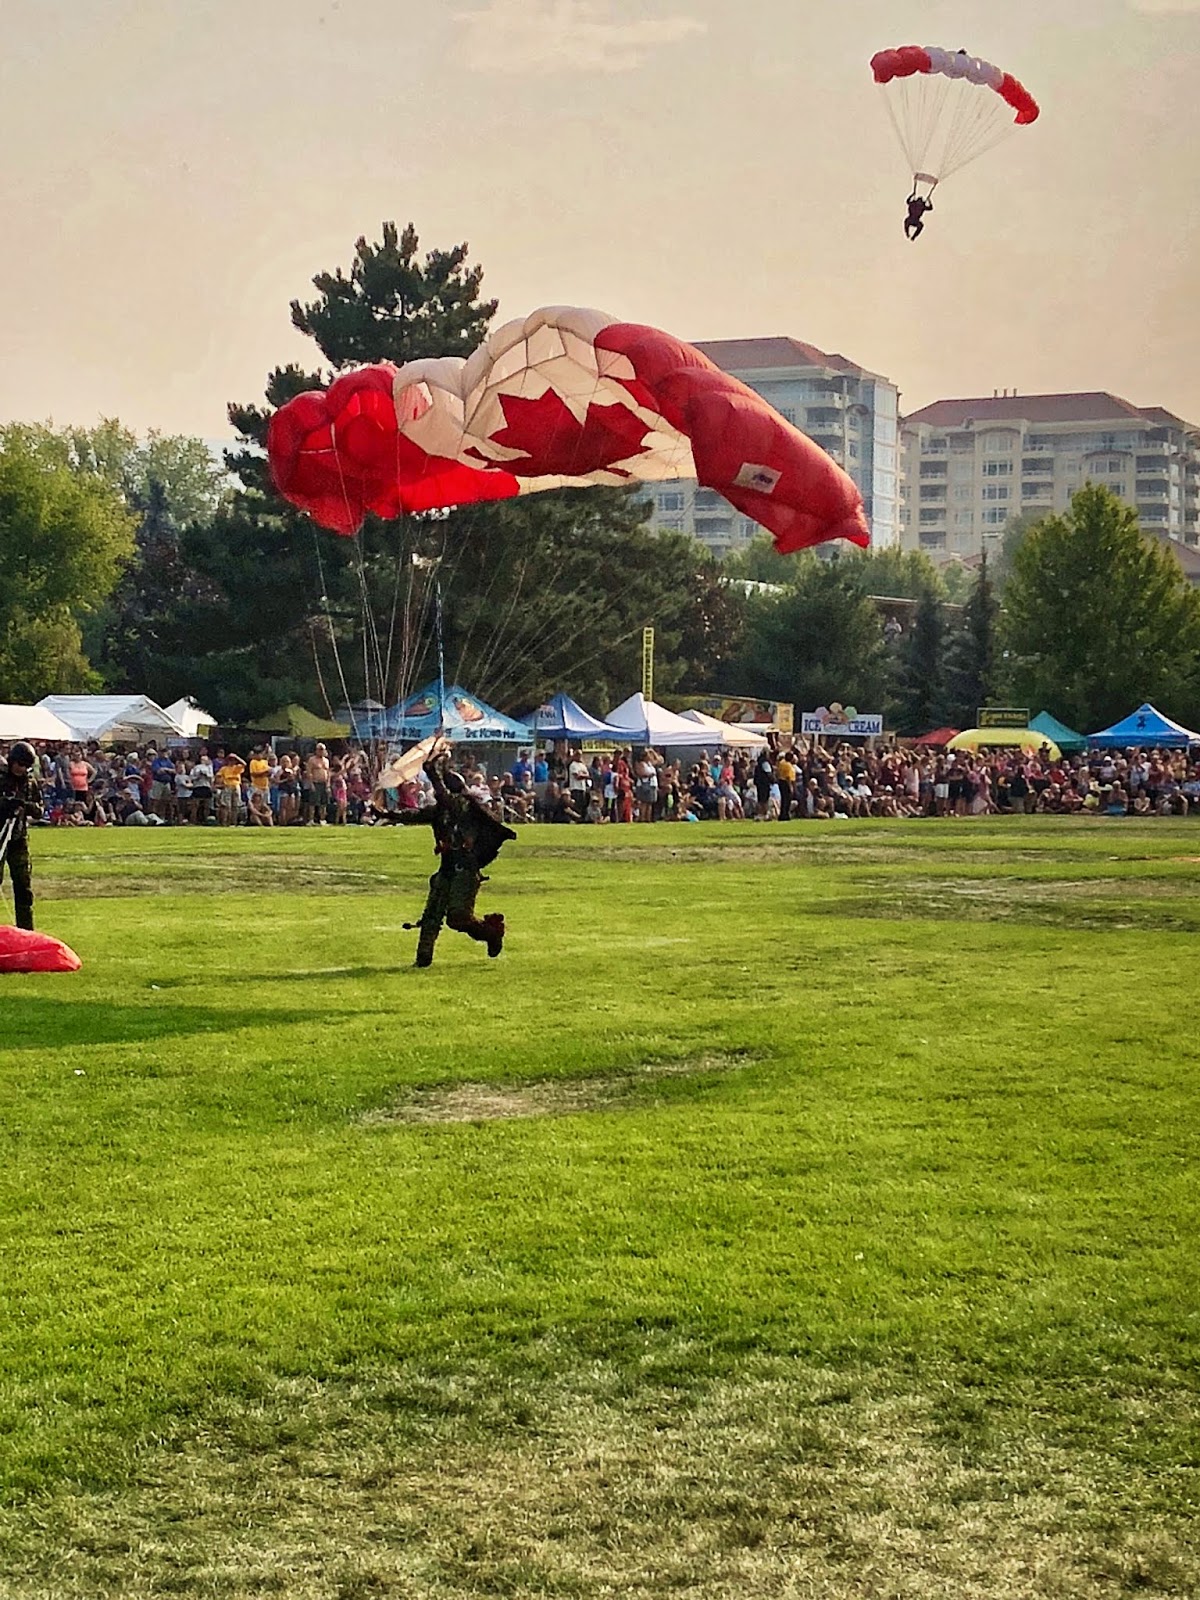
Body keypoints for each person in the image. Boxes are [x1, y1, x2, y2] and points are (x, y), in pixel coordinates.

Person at [376, 742, 516, 968]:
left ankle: (491, 933)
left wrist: (432, 770)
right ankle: (423, 958)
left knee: (458, 918)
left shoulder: (463, 805)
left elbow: (443, 796)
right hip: (448, 868)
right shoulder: (441, 811)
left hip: (465, 870)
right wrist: (387, 814)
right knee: (431, 915)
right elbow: (414, 815)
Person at [0, 742, 44, 930]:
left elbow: (39, 810)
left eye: (26, 766)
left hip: (18, 839)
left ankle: (26, 930)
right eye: (20, 764)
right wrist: (6, 804)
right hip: (0, 836)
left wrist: (28, 806)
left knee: (23, 887)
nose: (22, 769)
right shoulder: (1, 778)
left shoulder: (30, 782)